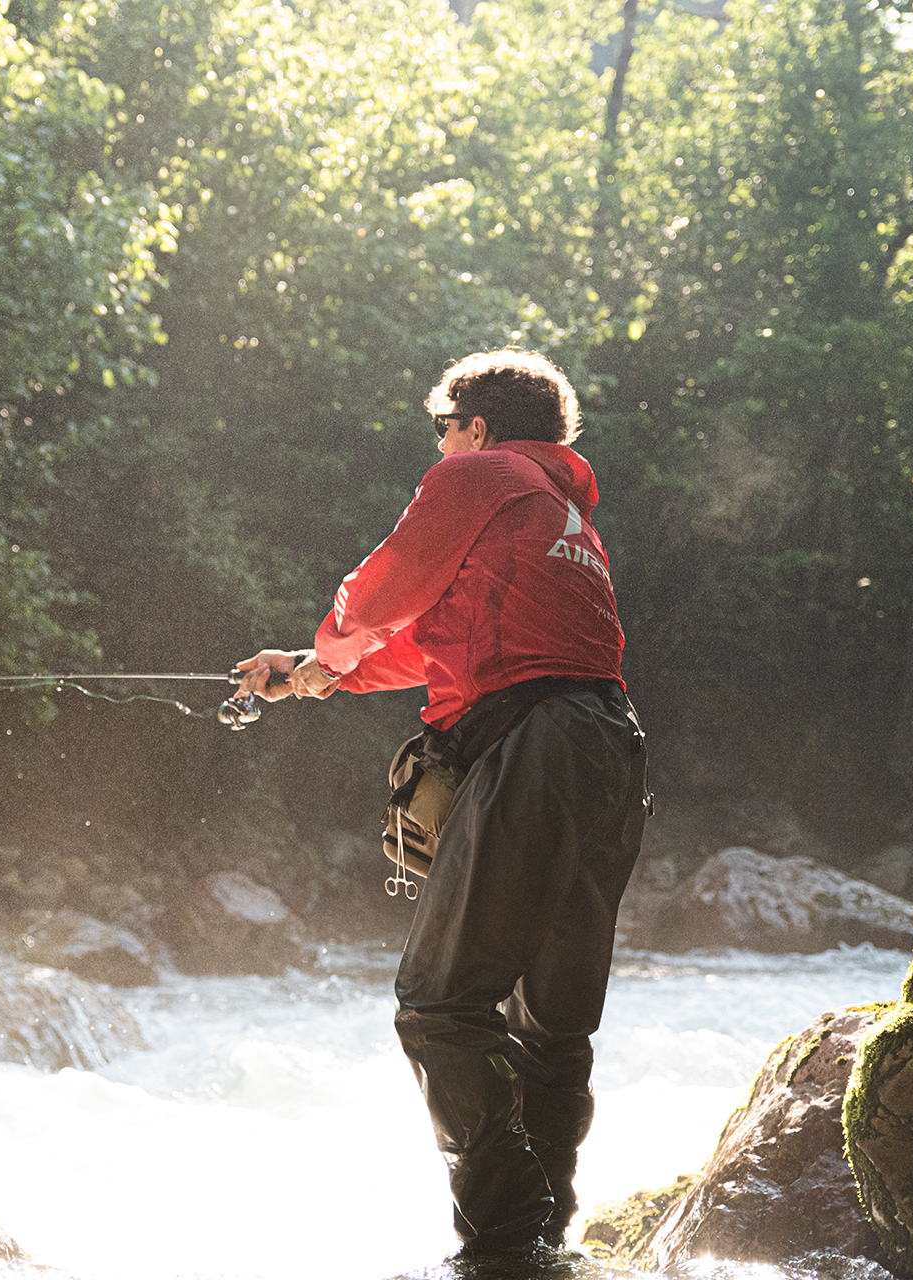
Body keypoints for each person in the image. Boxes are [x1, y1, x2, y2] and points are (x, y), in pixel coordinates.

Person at [235, 349, 650, 1264]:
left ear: (475, 426)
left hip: (532, 745)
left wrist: (329, 644)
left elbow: (379, 596)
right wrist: (315, 676)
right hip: (608, 750)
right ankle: (547, 1236)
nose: (440, 450)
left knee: (438, 1006)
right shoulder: (560, 510)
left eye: (443, 431)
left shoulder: (480, 474)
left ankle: (505, 1242)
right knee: (551, 1022)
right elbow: (444, 641)